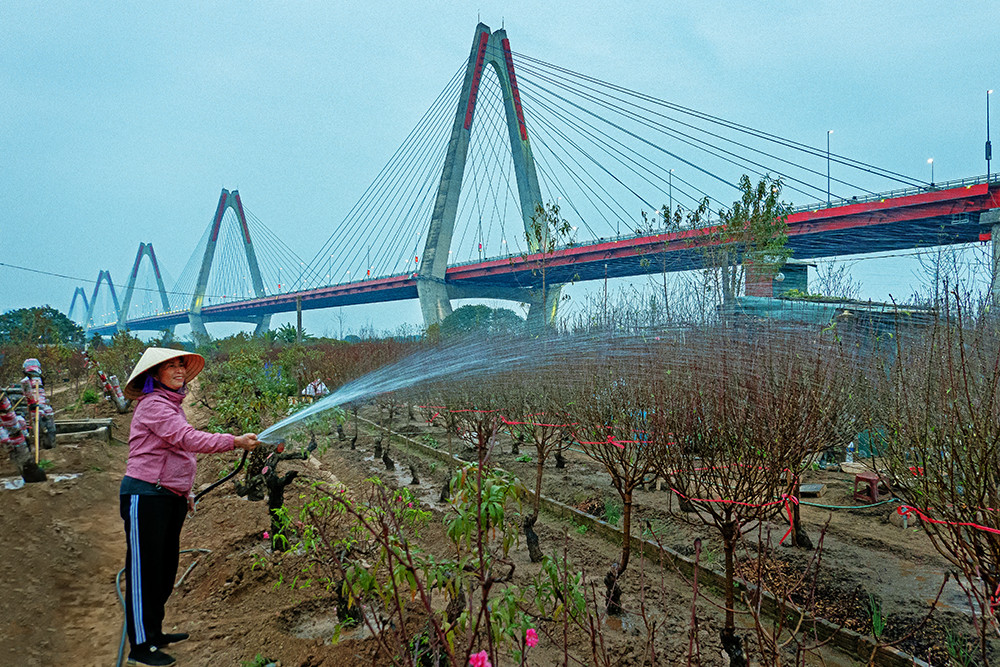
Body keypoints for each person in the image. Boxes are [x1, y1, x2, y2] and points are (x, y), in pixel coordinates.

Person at [119, 348, 259, 666]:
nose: (179, 370)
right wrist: (234, 441)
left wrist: (186, 491)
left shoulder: (171, 405)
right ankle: (140, 647)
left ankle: (154, 633)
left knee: (165, 569)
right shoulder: (154, 405)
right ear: (154, 374)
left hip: (169, 497)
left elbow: (178, 455)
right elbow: (186, 439)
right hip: (145, 497)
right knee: (145, 573)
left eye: (181, 364)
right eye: (171, 365)